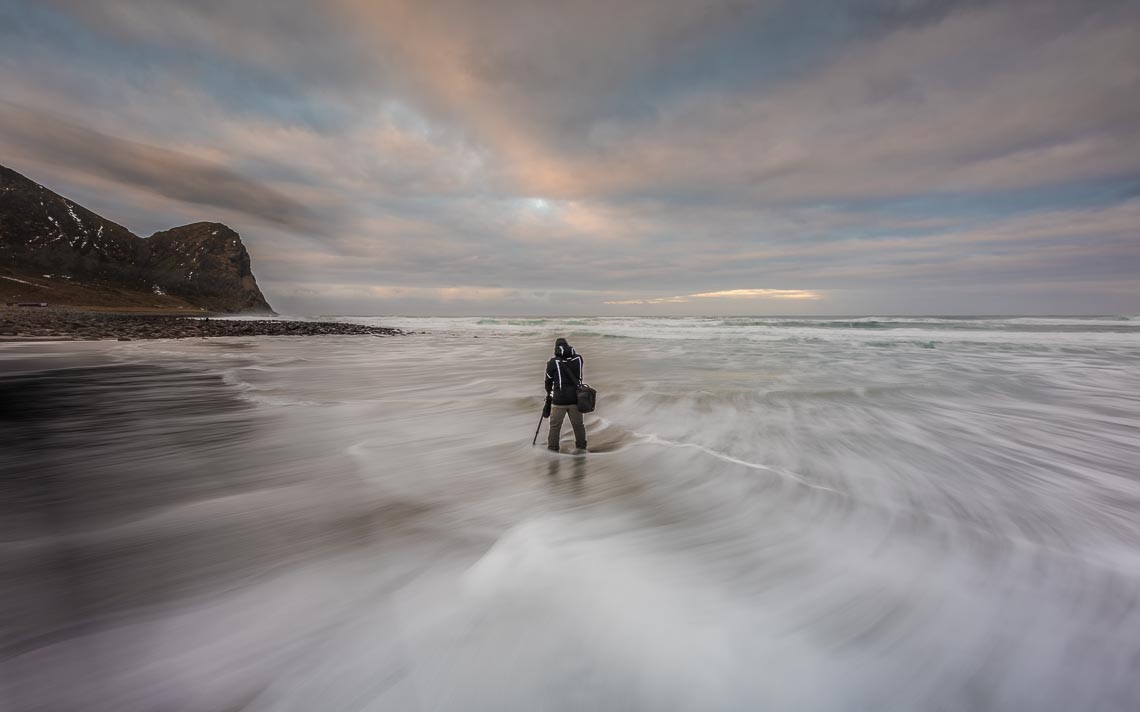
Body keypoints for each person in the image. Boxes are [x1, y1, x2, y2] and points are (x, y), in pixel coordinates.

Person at [544, 337, 587, 453]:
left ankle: (553, 450)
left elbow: (548, 381)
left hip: (559, 400)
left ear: (556, 348)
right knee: (578, 426)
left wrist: (549, 393)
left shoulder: (553, 362)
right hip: (576, 399)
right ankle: (582, 449)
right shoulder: (579, 359)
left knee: (555, 427)